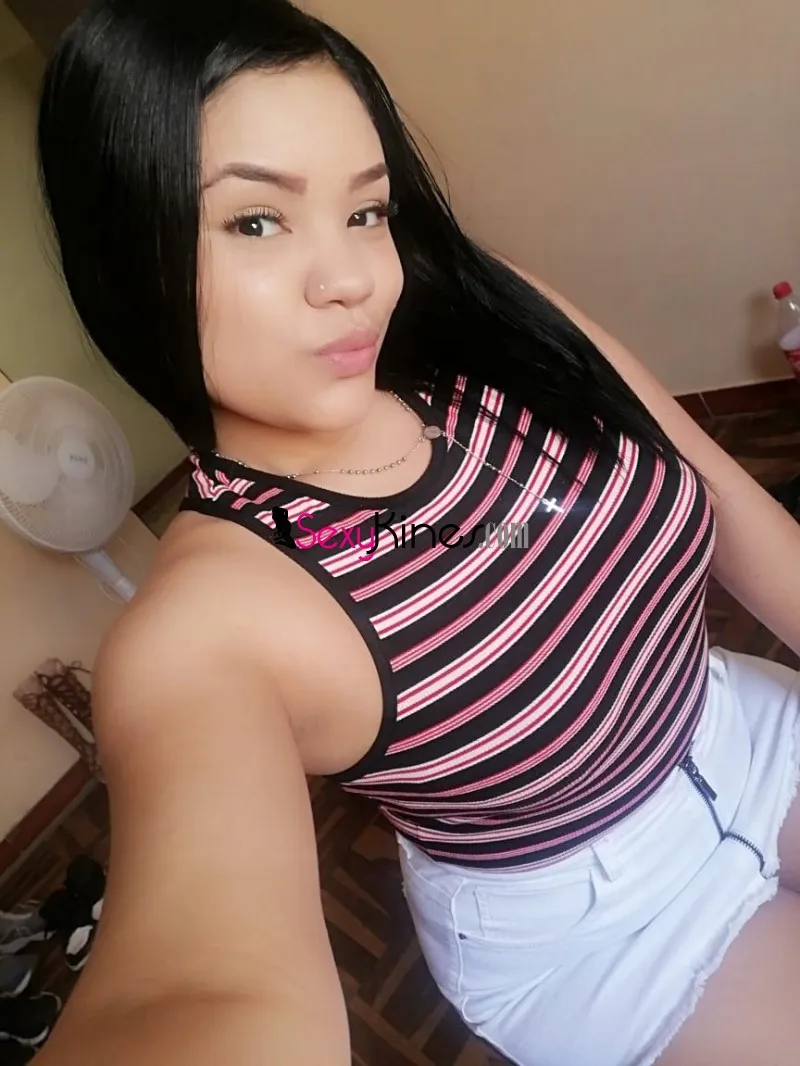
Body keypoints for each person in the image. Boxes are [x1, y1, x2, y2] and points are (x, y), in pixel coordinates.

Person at [33, 2, 800, 1064]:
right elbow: (202, 987)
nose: (352, 278)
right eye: (255, 222)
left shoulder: (493, 320)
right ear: (127, 257)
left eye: (365, 209)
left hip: (735, 725)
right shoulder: (208, 627)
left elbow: (727, 503)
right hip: (595, 936)